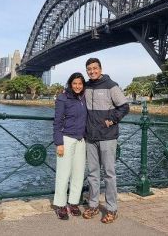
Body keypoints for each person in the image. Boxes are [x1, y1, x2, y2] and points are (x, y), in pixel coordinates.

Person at [82, 58, 129, 224]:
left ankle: (112, 209)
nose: (92, 71)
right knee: (93, 174)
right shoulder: (86, 87)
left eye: (95, 68)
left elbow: (124, 106)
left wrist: (112, 120)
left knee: (109, 174)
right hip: (91, 137)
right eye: (89, 69)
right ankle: (93, 205)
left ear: (100, 69)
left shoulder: (111, 85)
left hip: (108, 136)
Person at [52, 72, 87, 220]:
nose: (78, 86)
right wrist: (59, 142)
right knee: (63, 174)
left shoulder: (84, 98)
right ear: (70, 84)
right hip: (66, 139)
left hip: (81, 140)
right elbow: (57, 122)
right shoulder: (63, 98)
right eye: (75, 83)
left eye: (80, 84)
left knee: (78, 174)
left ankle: (73, 203)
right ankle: (60, 205)